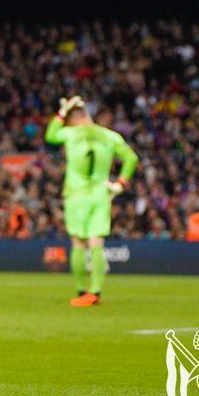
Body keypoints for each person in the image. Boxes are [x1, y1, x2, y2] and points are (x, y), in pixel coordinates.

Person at [44, 96, 139, 306]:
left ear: (72, 119)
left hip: (76, 194)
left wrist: (61, 113)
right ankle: (95, 292)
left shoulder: (71, 133)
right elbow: (132, 158)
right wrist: (121, 183)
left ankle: (80, 291)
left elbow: (50, 136)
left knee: (78, 243)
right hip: (100, 193)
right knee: (97, 244)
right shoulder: (109, 136)